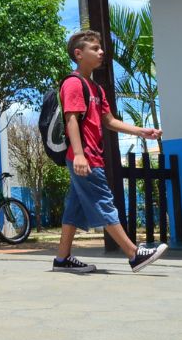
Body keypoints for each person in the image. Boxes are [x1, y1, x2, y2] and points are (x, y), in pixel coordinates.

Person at [53, 30, 167, 273]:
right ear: (78, 54)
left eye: (100, 47)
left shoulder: (96, 88)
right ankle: (134, 254)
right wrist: (80, 154)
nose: (101, 51)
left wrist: (140, 131)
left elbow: (109, 121)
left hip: (91, 156)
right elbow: (71, 119)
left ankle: (62, 259)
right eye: (94, 48)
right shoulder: (73, 83)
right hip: (84, 158)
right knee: (104, 201)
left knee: (73, 208)